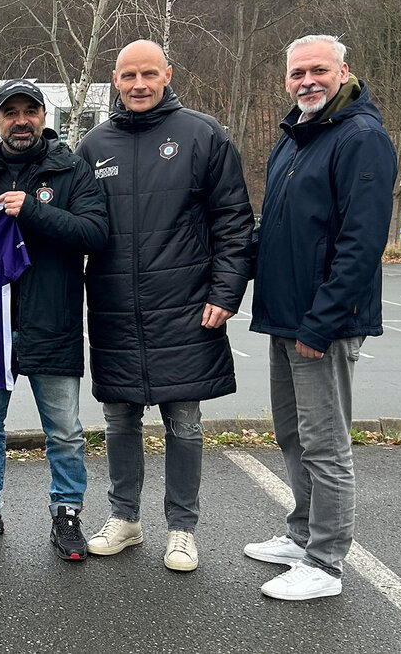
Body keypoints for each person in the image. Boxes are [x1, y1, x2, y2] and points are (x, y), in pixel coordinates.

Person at [77, 40, 254, 572]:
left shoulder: (204, 134)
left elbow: (233, 221)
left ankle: (182, 529)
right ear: (114, 79)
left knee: (184, 421)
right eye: (129, 75)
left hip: (186, 307)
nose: (139, 84)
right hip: (114, 308)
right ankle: (124, 518)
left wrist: (225, 292)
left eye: (149, 74)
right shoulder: (93, 145)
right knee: (119, 420)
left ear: (168, 75)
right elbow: (77, 225)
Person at [245, 34, 394, 601]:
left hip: (321, 326)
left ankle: (326, 563)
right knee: (293, 434)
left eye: (318, 70)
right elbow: (277, 231)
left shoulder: (361, 137)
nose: (306, 81)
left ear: (343, 72)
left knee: (326, 446)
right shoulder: (296, 138)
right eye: (297, 73)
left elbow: (361, 242)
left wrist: (322, 322)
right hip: (285, 319)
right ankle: (302, 535)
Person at [0, 79, 108, 556]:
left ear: (44, 117)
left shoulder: (73, 171)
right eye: (10, 112)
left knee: (65, 431)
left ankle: (67, 513)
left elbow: (95, 233)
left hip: (53, 320)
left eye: (30, 111)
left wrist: (33, 214)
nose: (21, 121)